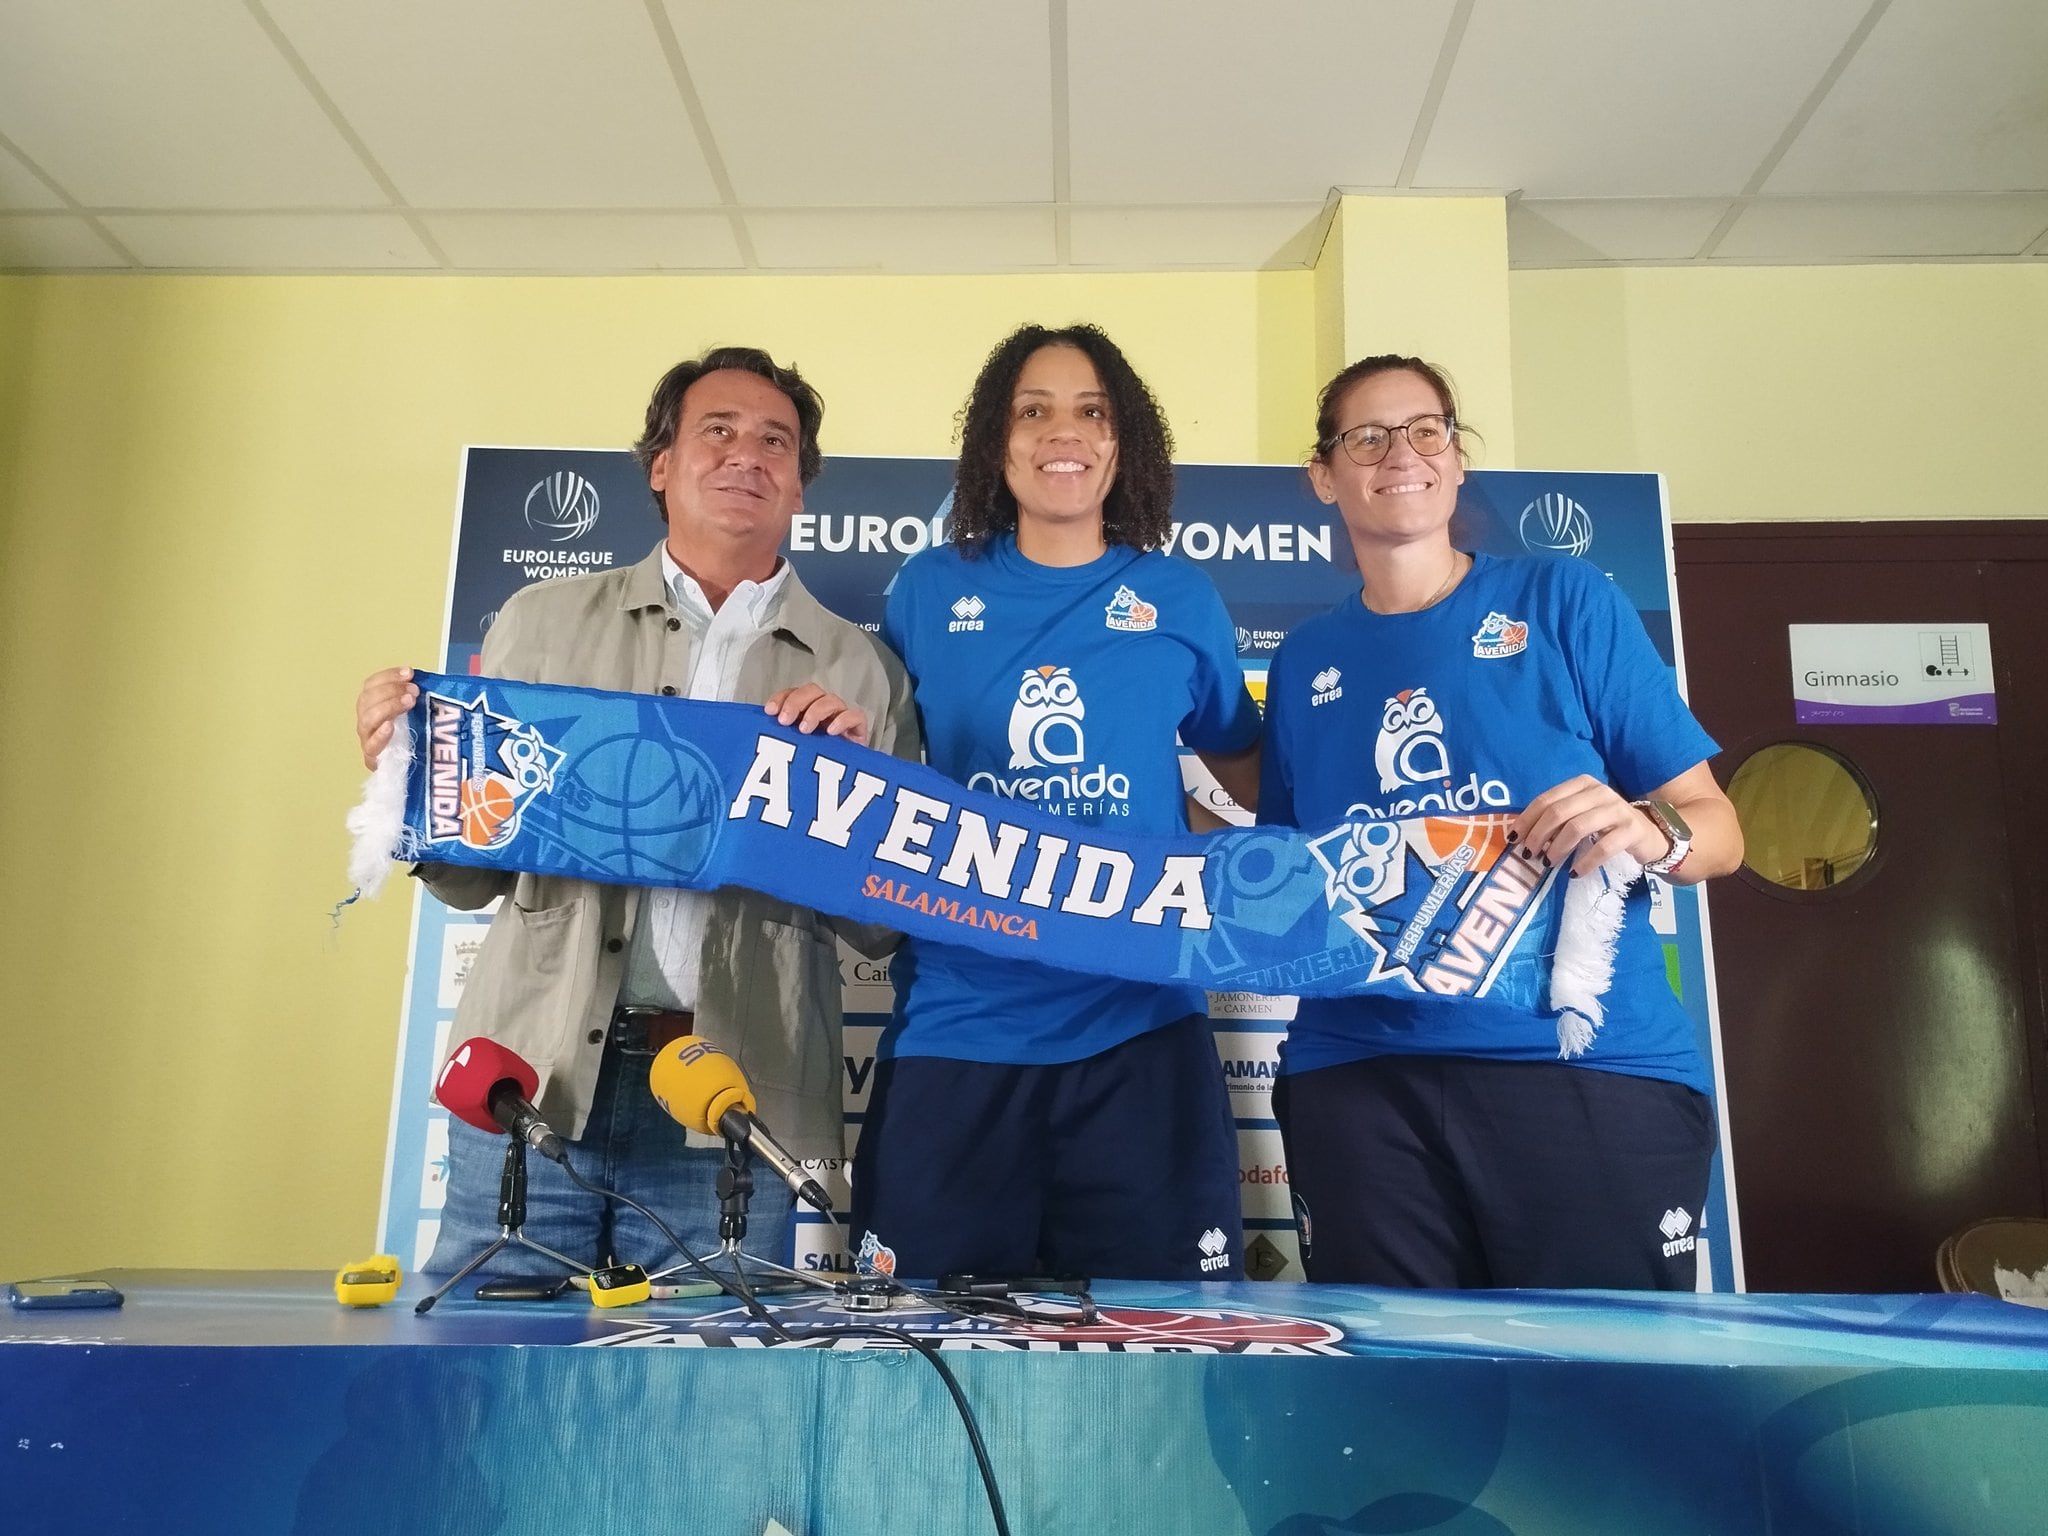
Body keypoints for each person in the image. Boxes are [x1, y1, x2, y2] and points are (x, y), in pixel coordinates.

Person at [354, 345, 918, 1275]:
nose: (748, 455)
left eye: (775, 441)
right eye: (719, 431)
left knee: (705, 1406)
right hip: (530, 1078)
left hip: (736, 1101)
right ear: (661, 464)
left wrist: (849, 811)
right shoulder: (538, 622)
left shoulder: (864, 671)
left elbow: (876, 931)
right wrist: (407, 785)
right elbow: (473, 877)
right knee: (491, 1380)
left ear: (800, 485)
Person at [1259, 354, 1743, 1290]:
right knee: (1404, 1412)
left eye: (1426, 429)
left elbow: (1717, 828)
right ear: (1326, 475)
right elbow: (1286, 874)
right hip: (1359, 1077)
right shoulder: (1304, 659)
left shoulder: (1564, 601)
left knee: (1602, 1405)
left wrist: (1652, 830)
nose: (1401, 452)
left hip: (1585, 1069)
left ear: (1456, 456)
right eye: (1367, 436)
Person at [851, 323, 1262, 1282]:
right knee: (929, 1364)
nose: (1060, 433)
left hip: (1141, 1029)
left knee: (1165, 1360)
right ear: (998, 441)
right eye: (1032, 411)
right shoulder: (927, 589)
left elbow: (1252, 776)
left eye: (1090, 412)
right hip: (960, 1025)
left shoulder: (1177, 596)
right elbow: (880, 767)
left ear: (1124, 443)